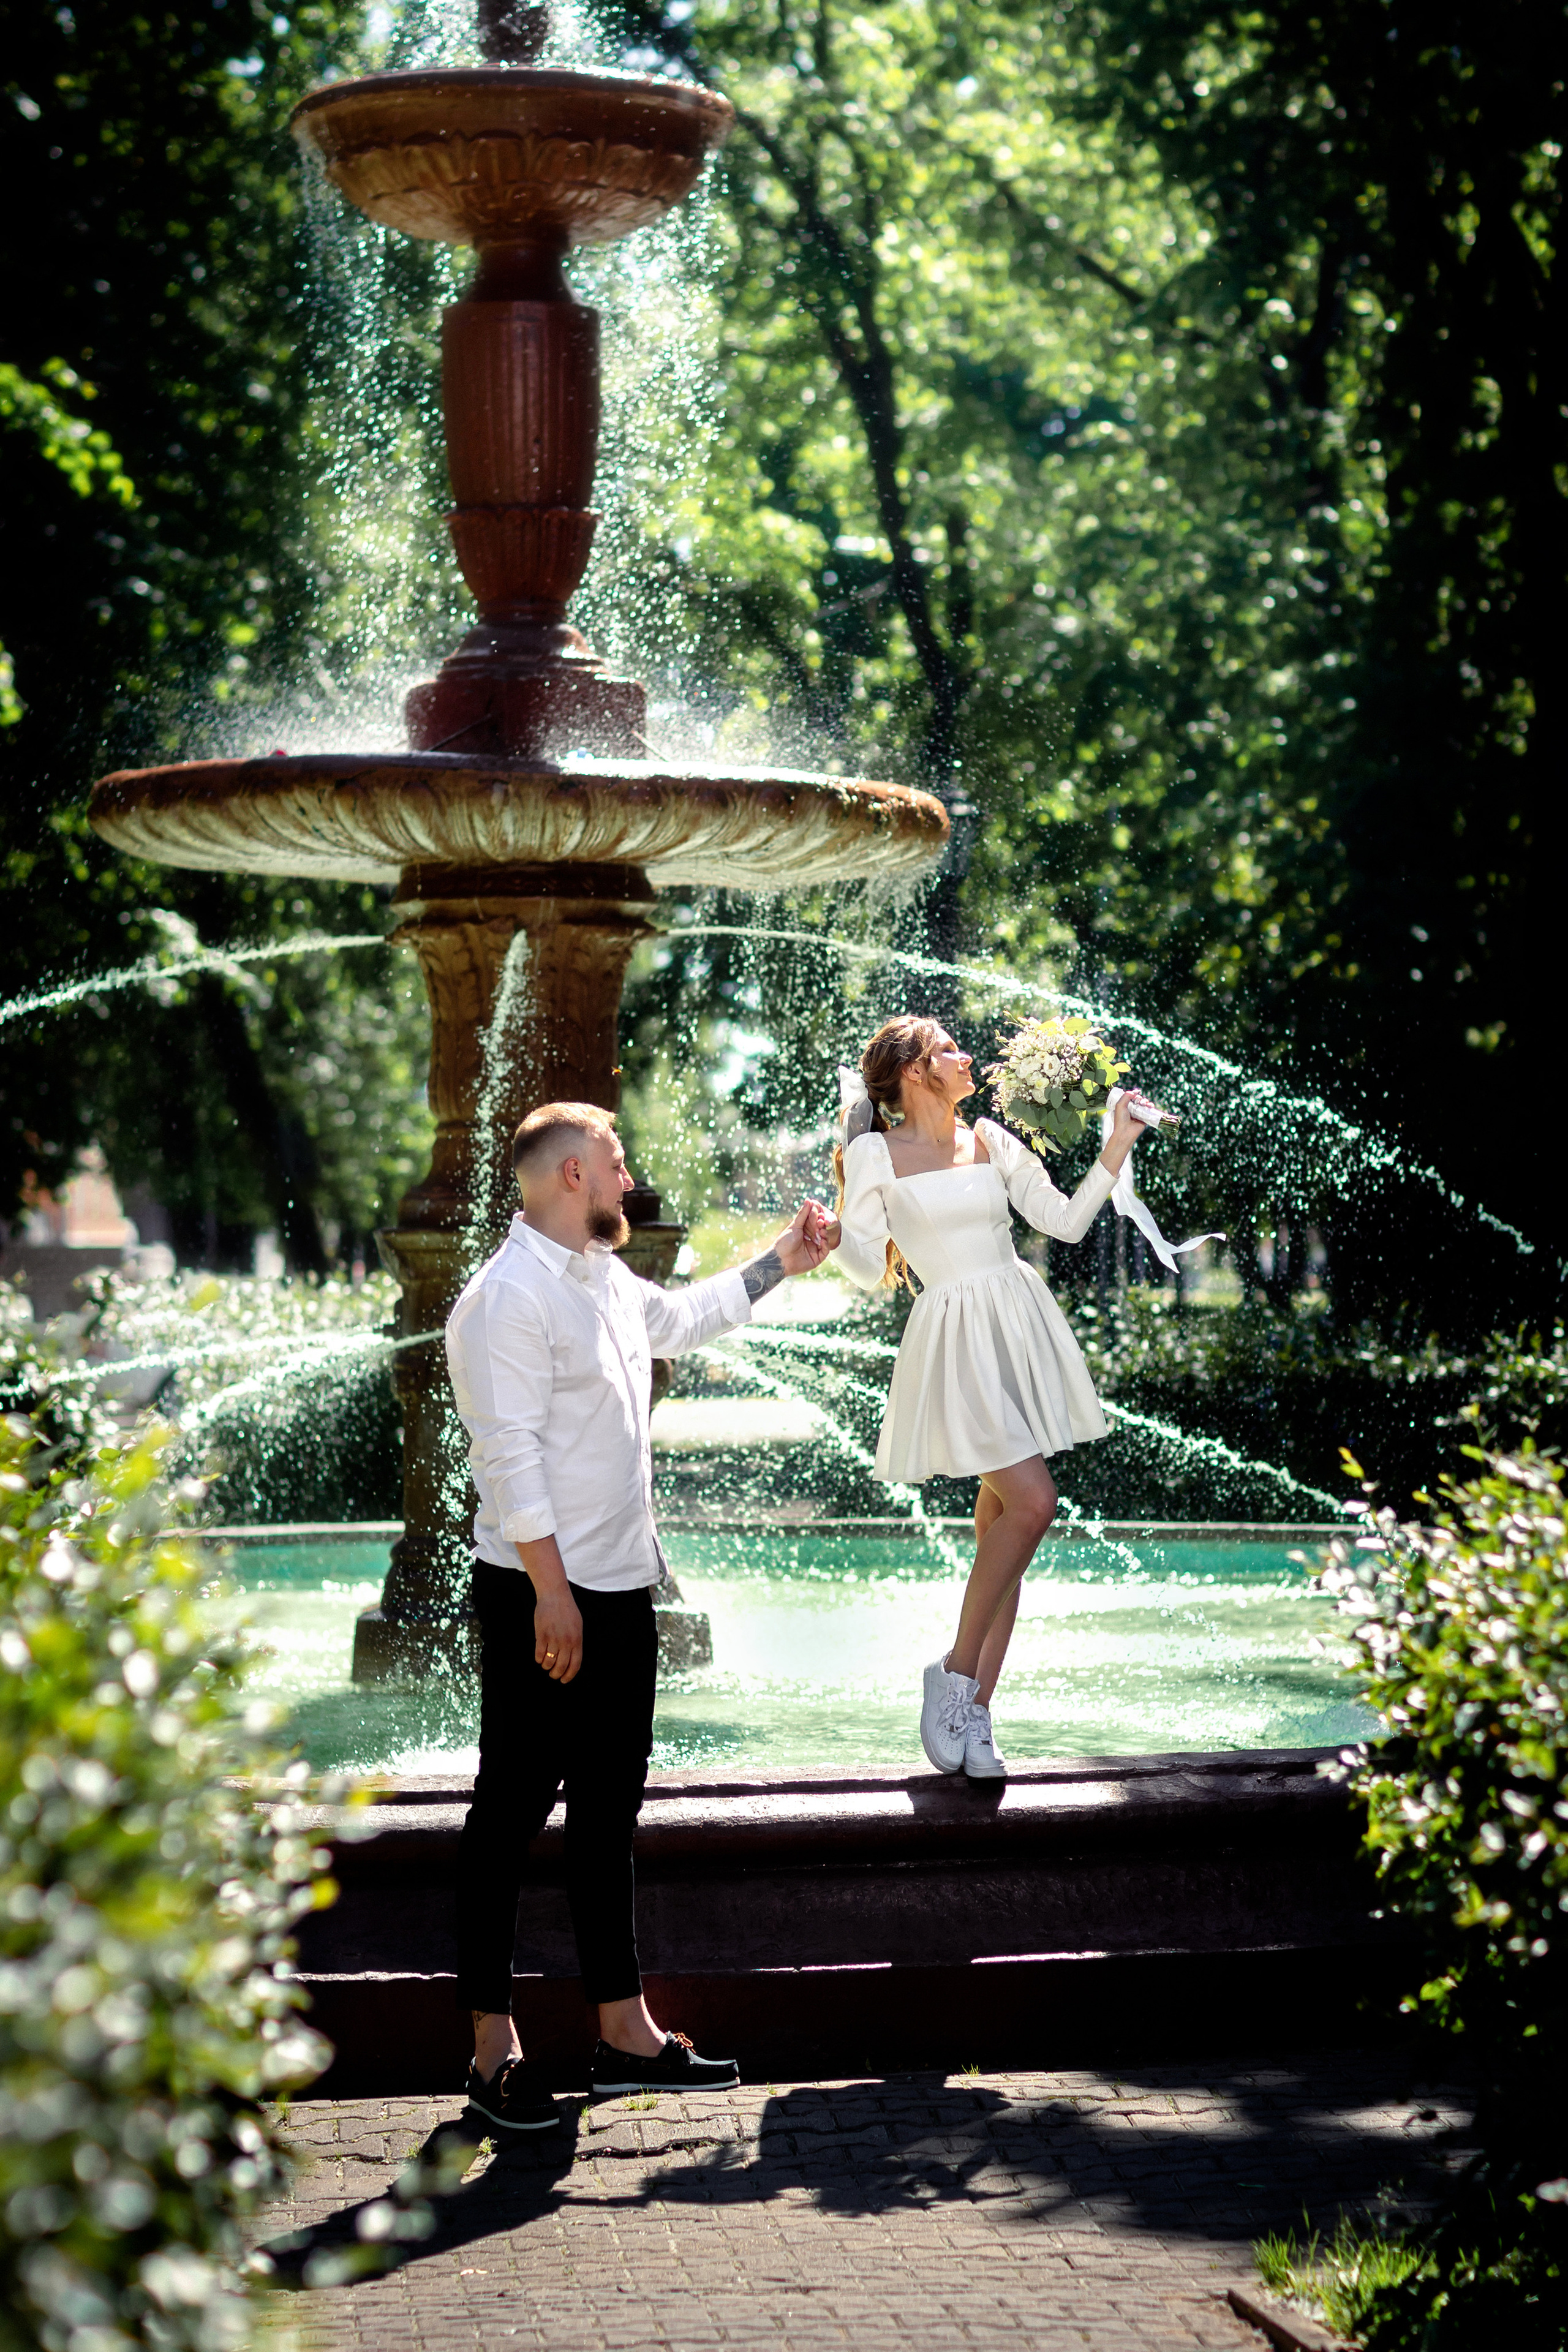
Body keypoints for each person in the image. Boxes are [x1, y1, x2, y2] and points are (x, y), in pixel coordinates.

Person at [446, 1099, 834, 2134]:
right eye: (616, 1164)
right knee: (511, 1810)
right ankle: (491, 2052)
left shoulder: (603, 1278)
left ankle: (624, 2037)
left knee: (609, 1810)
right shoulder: (503, 1299)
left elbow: (683, 1320)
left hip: (619, 1592)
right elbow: (507, 1458)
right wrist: (552, 1595)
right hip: (544, 1594)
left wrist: (781, 1259)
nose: (629, 1180)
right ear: (573, 1174)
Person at [822, 1016, 1152, 1782]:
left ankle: (976, 1713)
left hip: (1017, 1327)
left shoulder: (992, 1139)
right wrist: (835, 1219)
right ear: (912, 1072)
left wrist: (1117, 1140)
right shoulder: (876, 1152)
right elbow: (867, 1263)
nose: (966, 1057)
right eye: (948, 1049)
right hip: (957, 1343)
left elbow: (1065, 1224)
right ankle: (954, 1672)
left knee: (1005, 1533)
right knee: (1034, 1504)